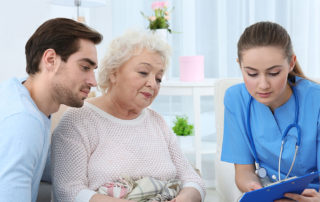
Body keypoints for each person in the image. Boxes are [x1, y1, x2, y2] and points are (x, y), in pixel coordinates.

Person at [51, 30, 206, 202]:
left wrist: (184, 199)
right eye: (143, 72)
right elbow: (68, 191)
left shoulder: (157, 122)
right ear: (114, 73)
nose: (152, 84)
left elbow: (193, 180)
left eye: (159, 78)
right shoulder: (78, 120)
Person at [0, 18, 102, 202]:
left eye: (93, 70)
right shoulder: (22, 121)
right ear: (50, 60)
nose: (93, 81)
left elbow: (51, 169)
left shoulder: (25, 99)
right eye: (85, 67)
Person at [221, 21, 320, 201]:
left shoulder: (316, 100)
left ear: (291, 63)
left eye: (273, 73)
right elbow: (244, 172)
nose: (263, 85)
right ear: (240, 65)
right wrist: (258, 189)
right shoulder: (236, 99)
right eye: (252, 74)